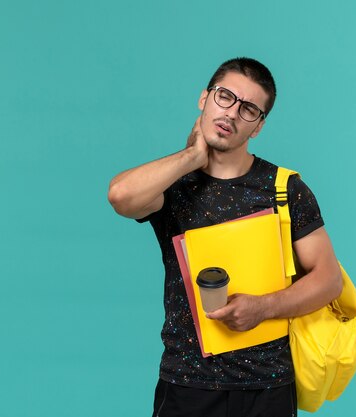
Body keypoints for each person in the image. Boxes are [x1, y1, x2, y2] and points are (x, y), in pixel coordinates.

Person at [108, 57, 343, 417]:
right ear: (204, 99)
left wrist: (263, 307)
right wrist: (191, 157)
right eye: (225, 97)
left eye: (248, 108)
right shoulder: (174, 185)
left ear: (259, 126)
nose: (232, 113)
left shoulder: (284, 190)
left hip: (268, 388)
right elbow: (121, 196)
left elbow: (329, 280)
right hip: (187, 385)